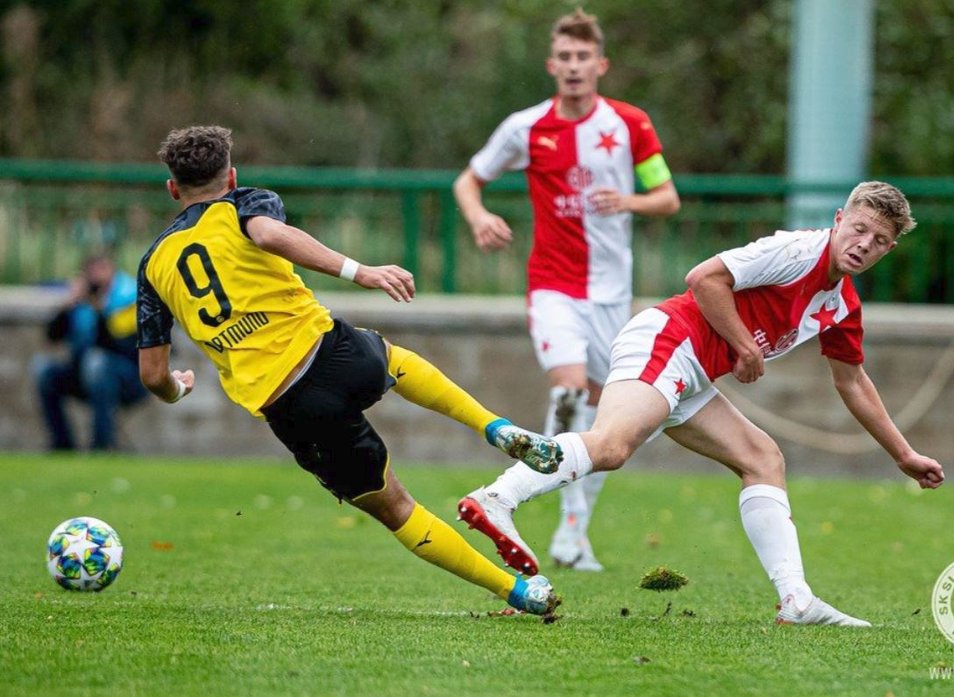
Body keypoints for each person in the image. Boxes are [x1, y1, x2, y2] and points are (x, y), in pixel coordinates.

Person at [458, 181, 946, 626]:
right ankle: (498, 496)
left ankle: (796, 599)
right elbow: (705, 278)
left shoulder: (841, 304)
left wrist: (903, 454)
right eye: (859, 229)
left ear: (890, 248)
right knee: (610, 447)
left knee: (762, 459)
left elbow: (853, 381)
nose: (864, 245)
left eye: (879, 241)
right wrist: (746, 347)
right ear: (840, 219)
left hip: (693, 374)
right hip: (669, 340)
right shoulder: (798, 251)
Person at [137, 125, 563, 616]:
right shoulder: (245, 203)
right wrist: (359, 272)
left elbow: (153, 375)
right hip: (329, 351)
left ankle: (517, 591)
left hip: (290, 406)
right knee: (392, 361)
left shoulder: (152, 265)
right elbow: (271, 234)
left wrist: (177, 389)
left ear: (172, 188)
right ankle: (495, 426)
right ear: (230, 176)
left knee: (398, 509)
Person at [453, 8, 680, 572]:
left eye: (585, 58)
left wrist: (628, 200)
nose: (575, 68)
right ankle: (537, 511)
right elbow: (468, 180)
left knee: (623, 421)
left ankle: (572, 528)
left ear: (600, 65)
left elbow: (668, 198)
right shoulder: (526, 127)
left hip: (612, 296)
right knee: (569, 394)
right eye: (566, 58)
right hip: (553, 287)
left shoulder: (629, 124)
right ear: (552, 65)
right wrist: (479, 216)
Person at [33, 253, 147, 451]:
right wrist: (69, 305)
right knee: (43, 369)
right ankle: (62, 445)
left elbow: (120, 344)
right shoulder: (81, 302)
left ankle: (102, 446)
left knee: (96, 362)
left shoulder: (130, 297)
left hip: (129, 377)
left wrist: (99, 309)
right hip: (84, 376)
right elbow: (52, 336)